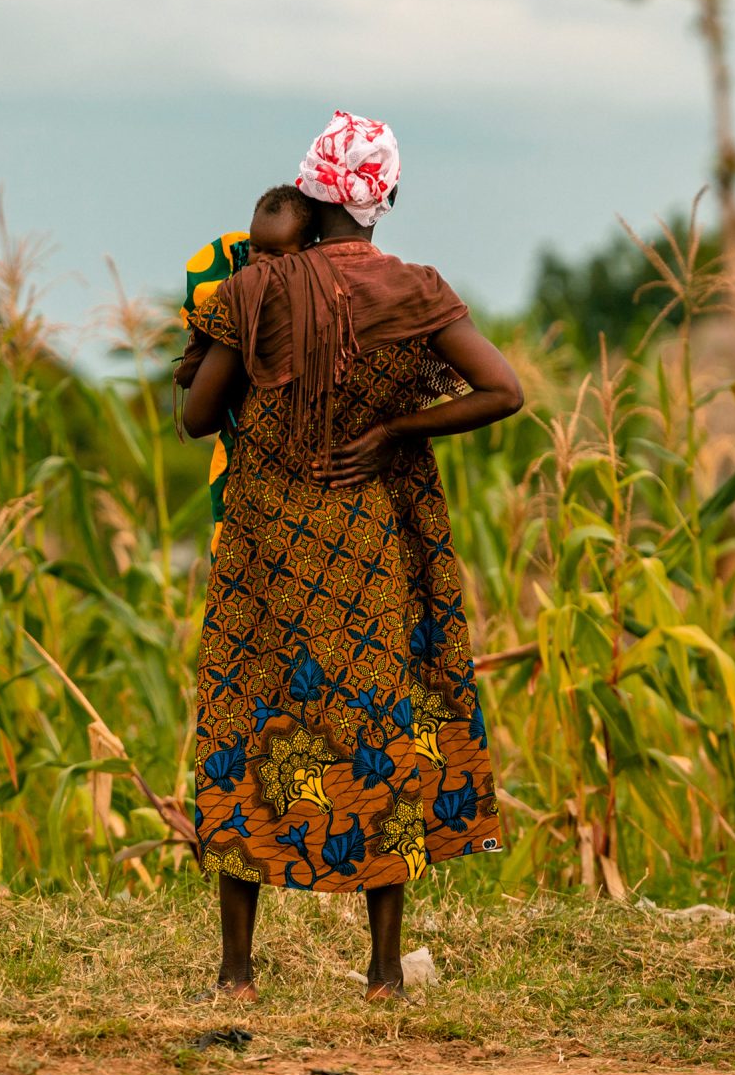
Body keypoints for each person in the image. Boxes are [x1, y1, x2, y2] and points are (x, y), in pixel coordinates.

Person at [177, 111, 523, 1002]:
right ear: (385, 198)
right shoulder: (413, 290)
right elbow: (502, 390)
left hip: (266, 545)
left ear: (308, 192)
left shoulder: (256, 292)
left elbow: (195, 418)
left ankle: (237, 972)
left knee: (251, 719)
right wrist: (396, 427)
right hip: (368, 540)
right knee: (378, 727)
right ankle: (380, 973)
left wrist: (242, 299)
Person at [174, 188, 317, 544]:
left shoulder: (317, 311)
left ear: (309, 253)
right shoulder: (234, 297)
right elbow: (195, 421)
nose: (262, 261)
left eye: (277, 254)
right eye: (257, 249)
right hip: (243, 478)